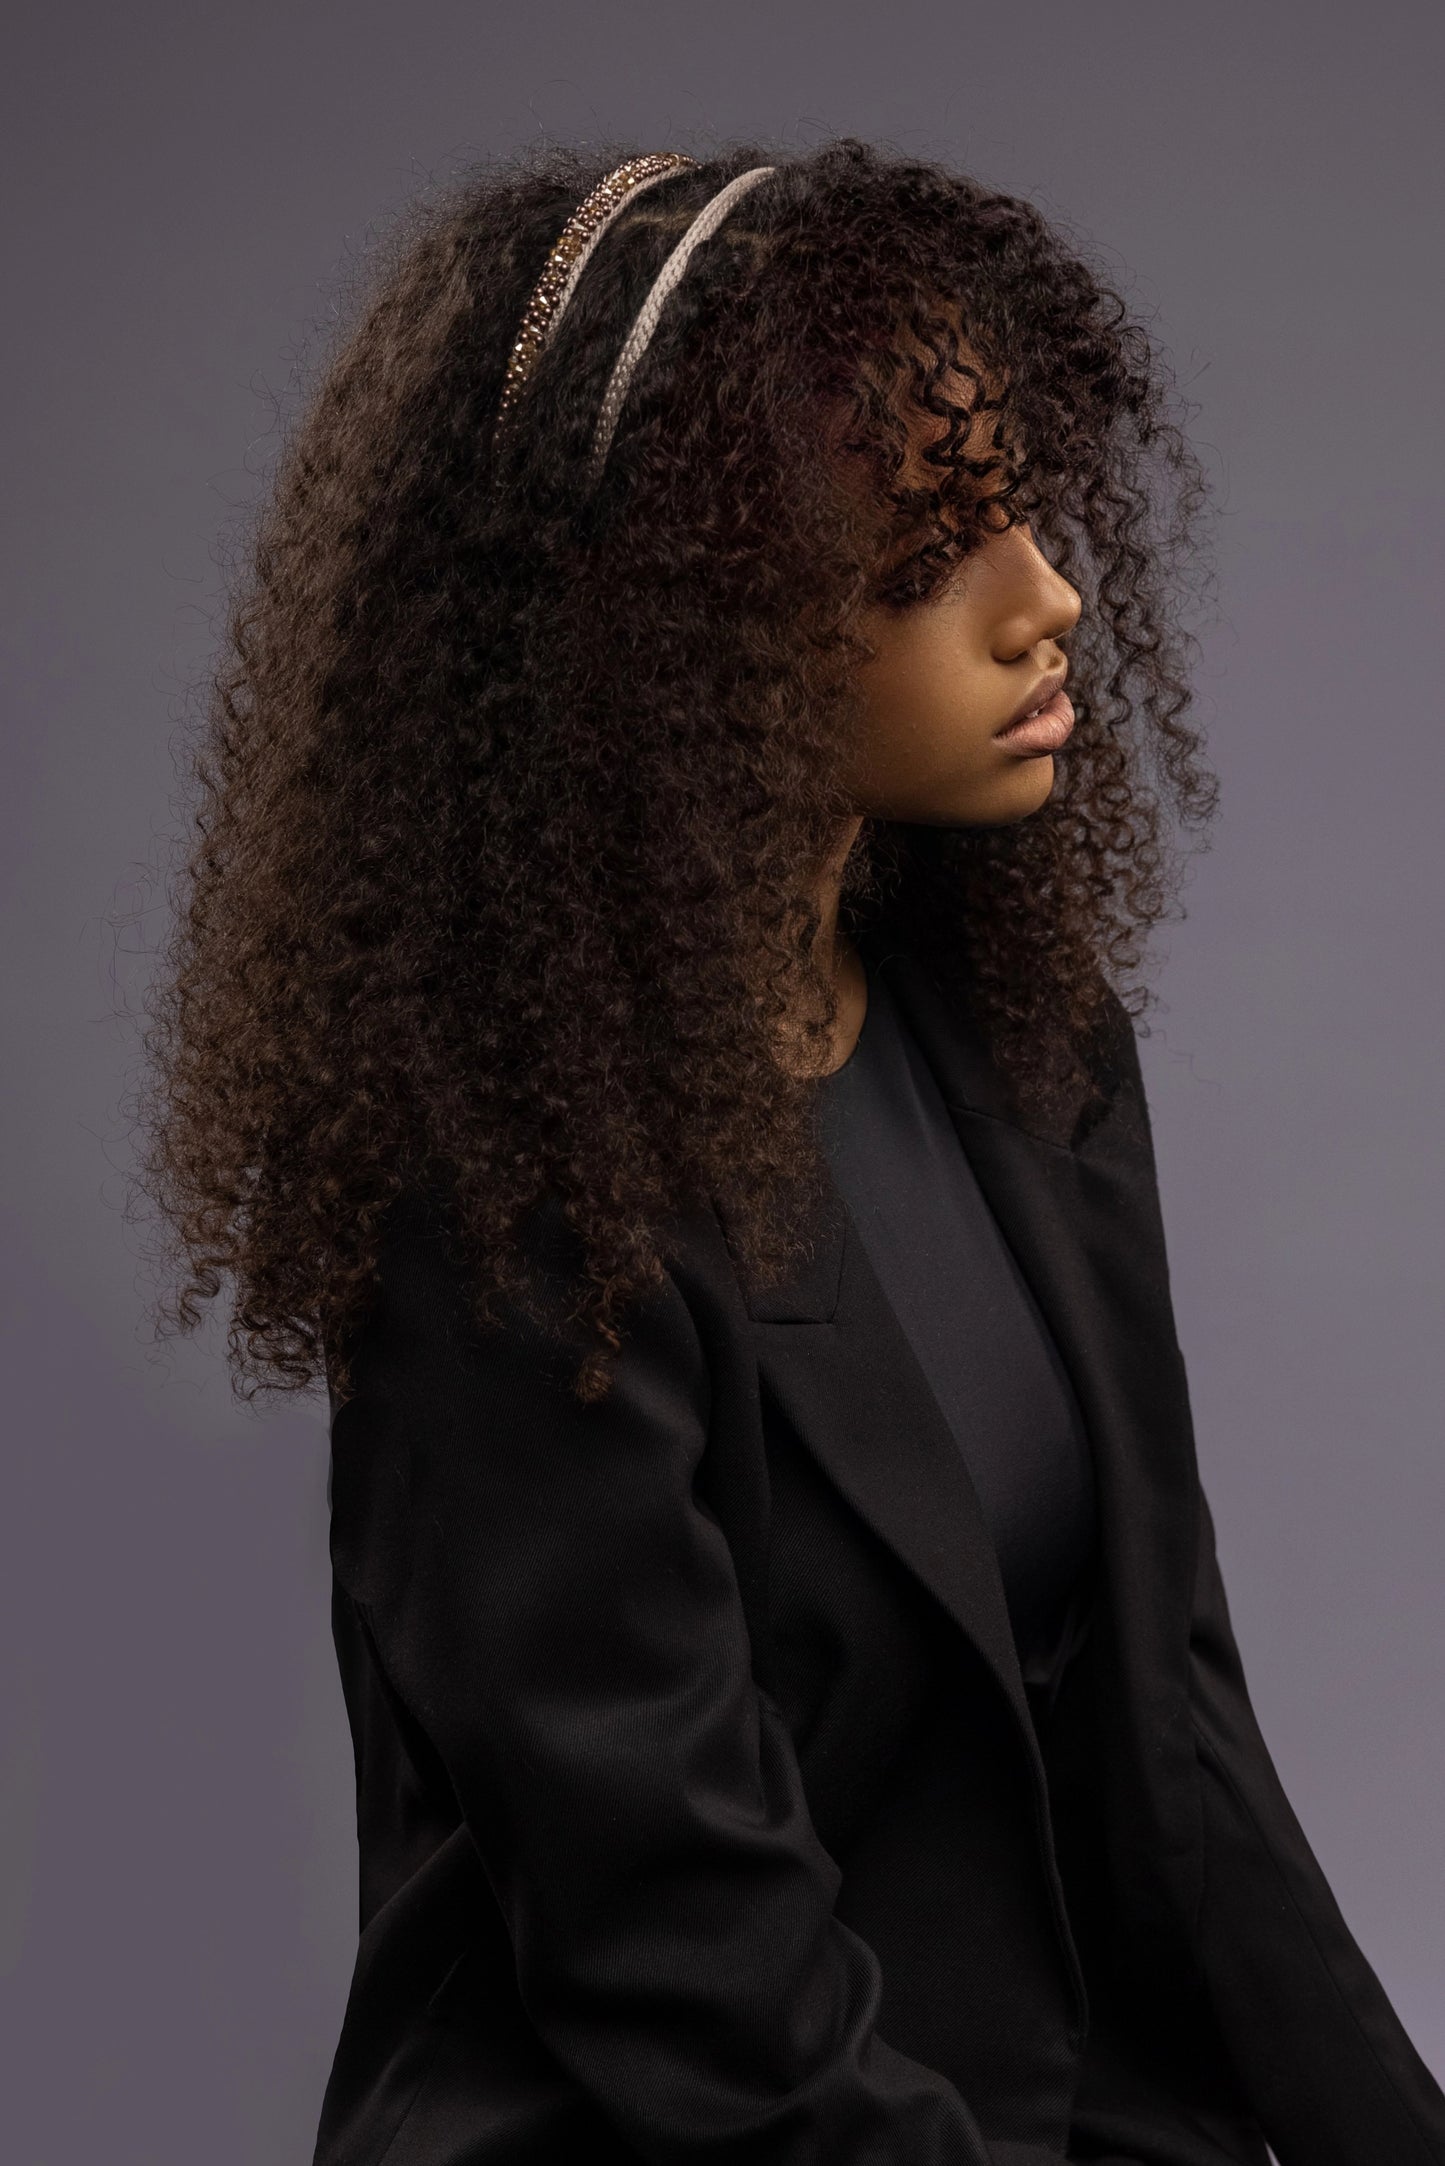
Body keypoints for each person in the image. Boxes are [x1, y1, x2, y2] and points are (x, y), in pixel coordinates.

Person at [133, 139, 1445, 2165]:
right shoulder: (497, 1203)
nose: (1047, 602)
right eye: (923, 563)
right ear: (680, 653)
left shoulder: (1031, 1047)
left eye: (1016, 510)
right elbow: (682, 1948)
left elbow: (1174, 1741)